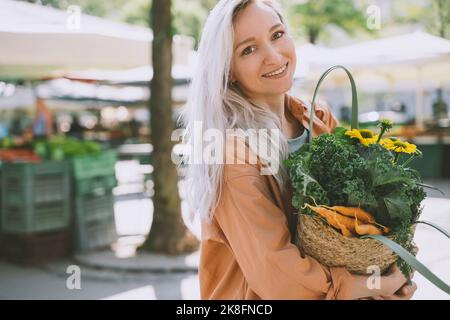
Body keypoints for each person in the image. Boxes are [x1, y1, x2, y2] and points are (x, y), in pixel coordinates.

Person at [181, 0, 417, 300]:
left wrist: (388, 277)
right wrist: (373, 286)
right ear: (228, 71)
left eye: (277, 34)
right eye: (248, 50)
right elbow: (278, 280)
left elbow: (356, 223)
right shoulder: (232, 156)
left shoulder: (317, 118)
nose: (273, 55)